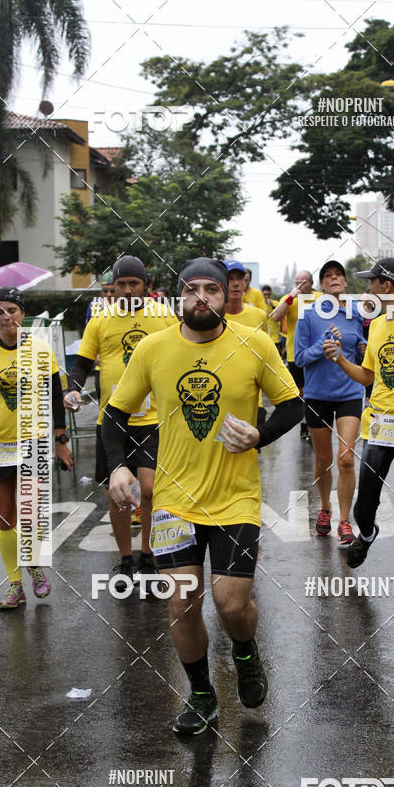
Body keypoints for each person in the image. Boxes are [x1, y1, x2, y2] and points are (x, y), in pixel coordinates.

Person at [103, 257, 301, 736]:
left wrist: (260, 435)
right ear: (178, 298)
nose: (201, 297)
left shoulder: (254, 344)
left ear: (225, 295)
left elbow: (293, 405)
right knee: (182, 603)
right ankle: (201, 693)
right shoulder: (153, 348)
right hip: (173, 501)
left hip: (235, 498)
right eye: (191, 289)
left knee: (232, 604)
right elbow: (114, 415)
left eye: (211, 288)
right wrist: (117, 466)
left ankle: (245, 651)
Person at [323, 257, 394, 605]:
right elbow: (369, 377)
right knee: (365, 506)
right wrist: (341, 359)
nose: (367, 288)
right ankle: (367, 534)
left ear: (386, 287)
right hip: (381, 423)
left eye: (371, 282)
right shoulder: (375, 325)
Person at [64, 256, 176, 589]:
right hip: (112, 418)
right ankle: (126, 559)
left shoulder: (164, 315)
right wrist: (72, 389)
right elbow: (82, 363)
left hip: (153, 418)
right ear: (113, 288)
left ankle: (149, 556)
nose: (127, 290)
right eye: (121, 284)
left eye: (133, 283)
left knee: (150, 490)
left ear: (146, 286)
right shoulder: (100, 319)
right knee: (118, 494)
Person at [0, 287, 73, 609]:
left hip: (32, 442)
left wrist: (61, 441)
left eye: (12, 310)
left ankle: (34, 566)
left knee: (30, 514)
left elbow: (56, 398)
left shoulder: (41, 350)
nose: (6, 316)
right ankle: (15, 585)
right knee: (4, 518)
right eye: (0, 311)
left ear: (23, 314)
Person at [295, 260, 366, 545]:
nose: (334, 279)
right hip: (317, 395)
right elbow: (300, 357)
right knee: (323, 459)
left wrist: (362, 351)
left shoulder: (356, 314)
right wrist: (322, 345)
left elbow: (360, 353)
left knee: (346, 459)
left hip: (350, 392)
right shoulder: (308, 315)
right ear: (322, 284)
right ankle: (325, 507)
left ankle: (345, 521)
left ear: (345, 282)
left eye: (338, 275)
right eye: (328, 276)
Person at [272, 269, 320, 440]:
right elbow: (276, 317)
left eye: (303, 282)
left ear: (311, 283)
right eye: (297, 282)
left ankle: (316, 426)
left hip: (317, 353)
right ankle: (304, 426)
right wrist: (291, 297)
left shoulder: (320, 297)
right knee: (300, 393)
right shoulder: (289, 299)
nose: (299, 286)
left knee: (315, 392)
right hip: (295, 354)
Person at [224, 261, 268, 425]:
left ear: (245, 282)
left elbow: (264, 356)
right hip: (221, 400)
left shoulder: (259, 316)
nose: (236, 283)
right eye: (230, 279)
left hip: (254, 403)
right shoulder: (212, 316)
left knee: (252, 442)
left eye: (240, 278)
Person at [86, 271, 116, 404]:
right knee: (104, 403)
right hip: (101, 364)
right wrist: (93, 355)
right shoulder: (94, 305)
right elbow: (88, 334)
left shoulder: (129, 306)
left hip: (122, 362)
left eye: (112, 291)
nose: (108, 294)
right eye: (105, 291)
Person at [262, 284, 283, 355]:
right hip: (264, 337)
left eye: (268, 294)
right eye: (265, 294)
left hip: (275, 337)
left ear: (271, 294)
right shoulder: (260, 305)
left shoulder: (275, 303)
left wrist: (272, 307)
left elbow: (281, 315)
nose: (267, 296)